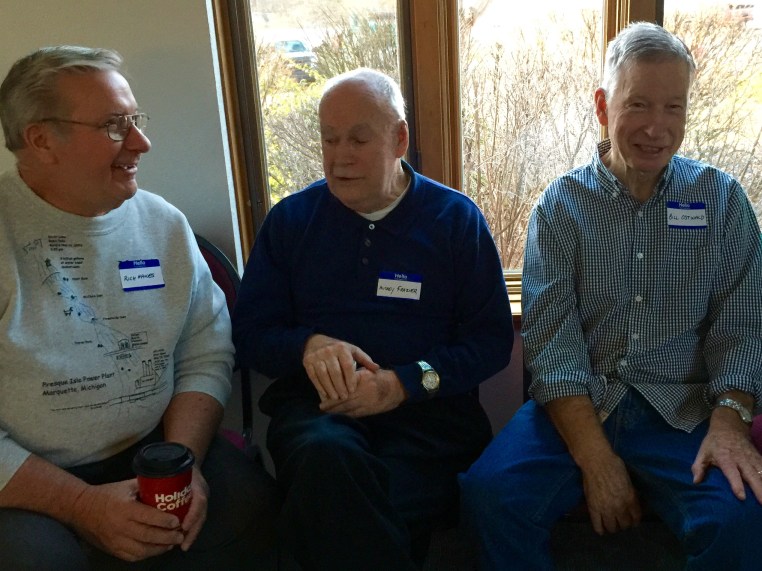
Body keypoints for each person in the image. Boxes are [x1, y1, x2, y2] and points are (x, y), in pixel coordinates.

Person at [460, 21, 762, 570]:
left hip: (682, 409)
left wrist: (729, 422)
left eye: (673, 107)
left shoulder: (722, 201)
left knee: (739, 519)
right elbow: (552, 346)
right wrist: (596, 459)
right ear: (602, 105)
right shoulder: (560, 207)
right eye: (638, 105)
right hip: (582, 403)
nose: (656, 127)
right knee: (490, 497)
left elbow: (742, 327)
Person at [0, 46, 279, 570]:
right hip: (24, 480)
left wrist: (184, 465)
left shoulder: (163, 225)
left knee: (247, 510)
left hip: (158, 448)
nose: (141, 143)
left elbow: (205, 351)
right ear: (41, 140)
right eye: (114, 126)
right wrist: (81, 505)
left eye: (135, 120)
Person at [232, 67, 514, 569]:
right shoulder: (291, 222)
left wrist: (403, 384)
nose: (339, 156)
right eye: (329, 139)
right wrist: (307, 346)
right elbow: (251, 334)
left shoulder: (455, 220)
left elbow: (490, 342)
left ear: (399, 139)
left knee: (335, 511)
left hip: (429, 420)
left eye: (358, 139)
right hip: (321, 413)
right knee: (328, 464)